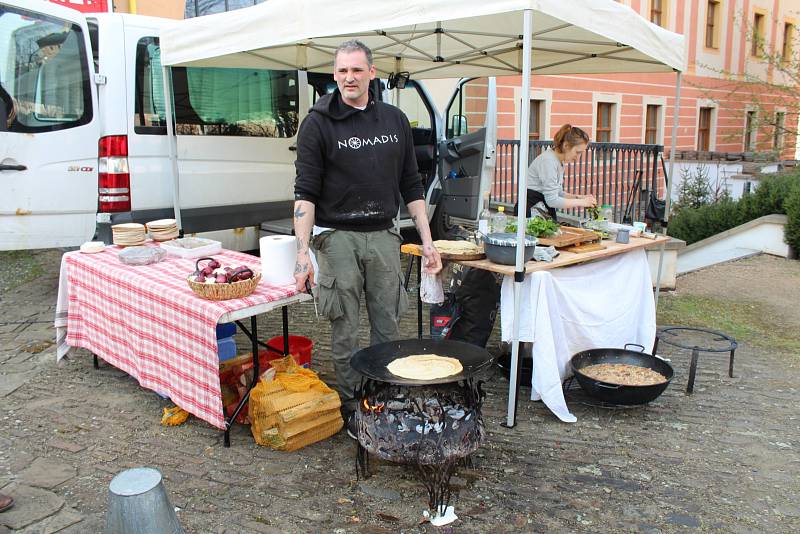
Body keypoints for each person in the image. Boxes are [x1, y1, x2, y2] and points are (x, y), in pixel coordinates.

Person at [293, 40, 442, 438]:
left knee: (389, 322)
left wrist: (427, 241)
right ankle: (349, 403)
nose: (348, 78)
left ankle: (385, 395)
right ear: (335, 73)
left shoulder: (394, 121)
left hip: (384, 236)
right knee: (344, 327)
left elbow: (411, 184)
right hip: (338, 236)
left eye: (356, 70)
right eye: (342, 71)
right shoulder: (318, 122)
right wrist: (302, 254)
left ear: (371, 73)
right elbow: (304, 192)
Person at [518, 124, 597, 221]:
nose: (578, 157)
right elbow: (552, 200)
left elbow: (558, 193)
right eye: (577, 152)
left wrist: (578, 197)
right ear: (566, 146)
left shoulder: (558, 161)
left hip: (540, 208)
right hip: (530, 211)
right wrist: (582, 202)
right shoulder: (548, 161)